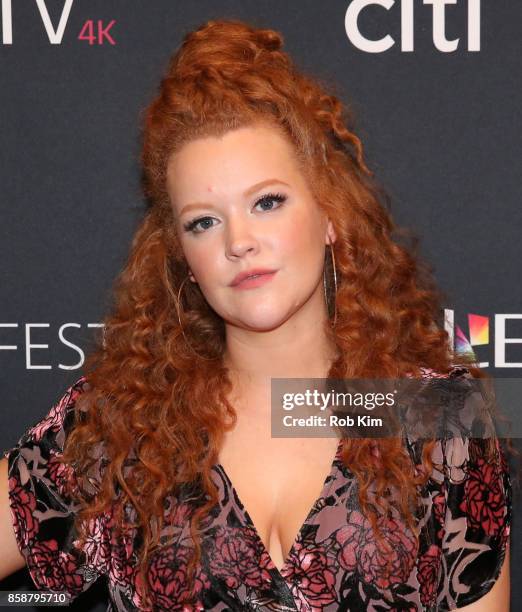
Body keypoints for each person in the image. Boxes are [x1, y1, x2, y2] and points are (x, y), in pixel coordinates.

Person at [0, 18, 512, 612]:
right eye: (204, 221)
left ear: (328, 217)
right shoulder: (122, 426)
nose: (238, 241)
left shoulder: (435, 416)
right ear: (185, 260)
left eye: (267, 202)